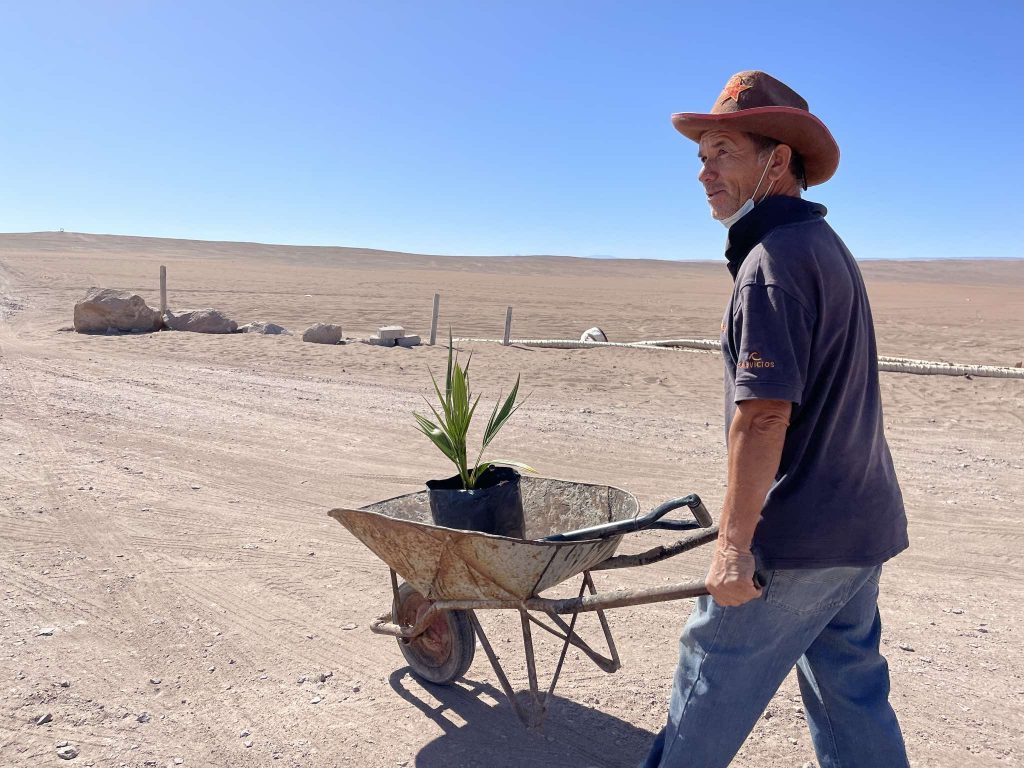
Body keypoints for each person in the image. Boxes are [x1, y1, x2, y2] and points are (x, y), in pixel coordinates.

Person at [642, 71, 910, 768]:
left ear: (777, 160)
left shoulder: (772, 264)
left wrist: (733, 545)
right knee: (850, 699)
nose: (704, 173)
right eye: (701, 157)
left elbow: (762, 418)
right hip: (859, 526)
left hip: (795, 543)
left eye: (723, 152)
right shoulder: (824, 248)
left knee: (707, 686)